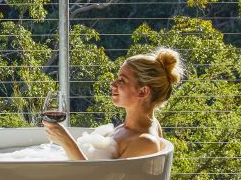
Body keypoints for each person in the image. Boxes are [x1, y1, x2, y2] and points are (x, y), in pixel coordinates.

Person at [44, 47, 184, 159]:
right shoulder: (133, 128)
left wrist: (68, 143)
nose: (112, 84)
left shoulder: (145, 142)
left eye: (122, 80)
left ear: (142, 92)